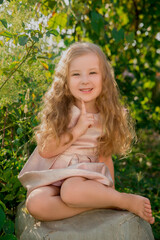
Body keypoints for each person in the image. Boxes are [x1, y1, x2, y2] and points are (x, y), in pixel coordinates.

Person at [18, 42, 154, 224]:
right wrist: (77, 130)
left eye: (92, 73)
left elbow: (105, 157)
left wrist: (111, 190)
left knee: (71, 190)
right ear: (65, 80)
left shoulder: (106, 115)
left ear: (104, 77)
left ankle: (120, 200)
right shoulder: (61, 111)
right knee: (35, 203)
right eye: (76, 74)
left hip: (85, 178)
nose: (85, 80)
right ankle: (100, 203)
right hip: (54, 176)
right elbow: (45, 151)